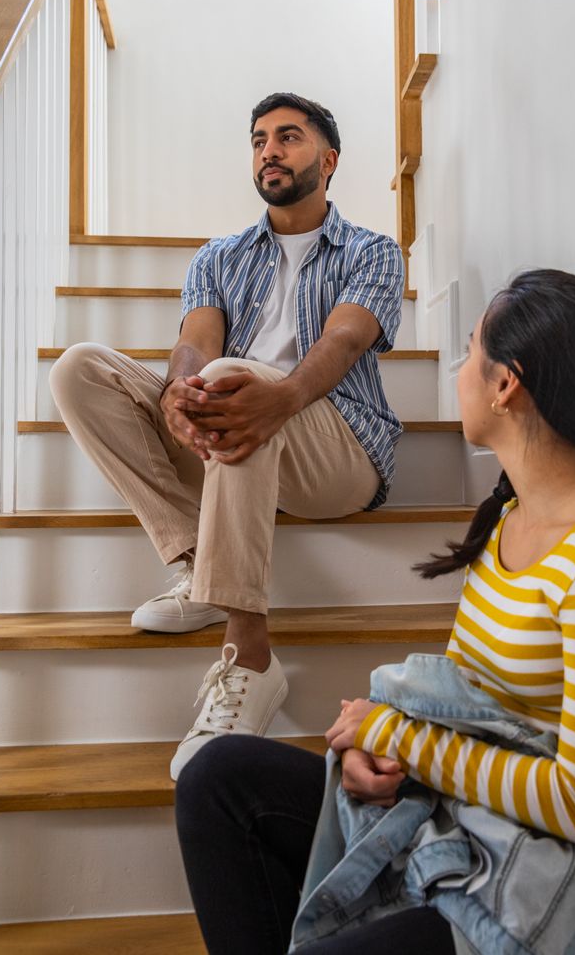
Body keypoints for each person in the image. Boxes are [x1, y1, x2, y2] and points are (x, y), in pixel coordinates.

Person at [175, 269, 575, 955]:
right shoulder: (511, 518)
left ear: (508, 384)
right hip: (483, 820)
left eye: (472, 353)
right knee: (217, 779)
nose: (460, 372)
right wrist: (381, 753)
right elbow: (474, 705)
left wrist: (404, 740)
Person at [50, 92, 404, 780]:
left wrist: (281, 395)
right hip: (234, 429)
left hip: (338, 452)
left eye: (289, 137)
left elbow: (345, 337)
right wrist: (180, 391)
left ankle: (250, 655)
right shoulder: (220, 255)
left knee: (238, 377)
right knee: (81, 368)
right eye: (259, 139)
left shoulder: (372, 251)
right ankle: (196, 561)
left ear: (328, 161)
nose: (269, 149)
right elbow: (195, 342)